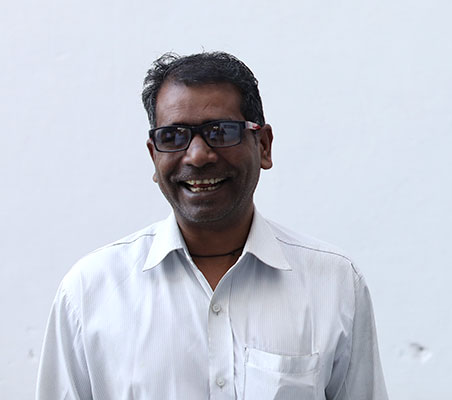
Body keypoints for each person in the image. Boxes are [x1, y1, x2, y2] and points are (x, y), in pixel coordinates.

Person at [36, 51, 388, 400]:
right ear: (154, 157)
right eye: (173, 136)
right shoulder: (90, 292)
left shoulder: (333, 283)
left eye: (220, 132)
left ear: (264, 146)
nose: (198, 155)